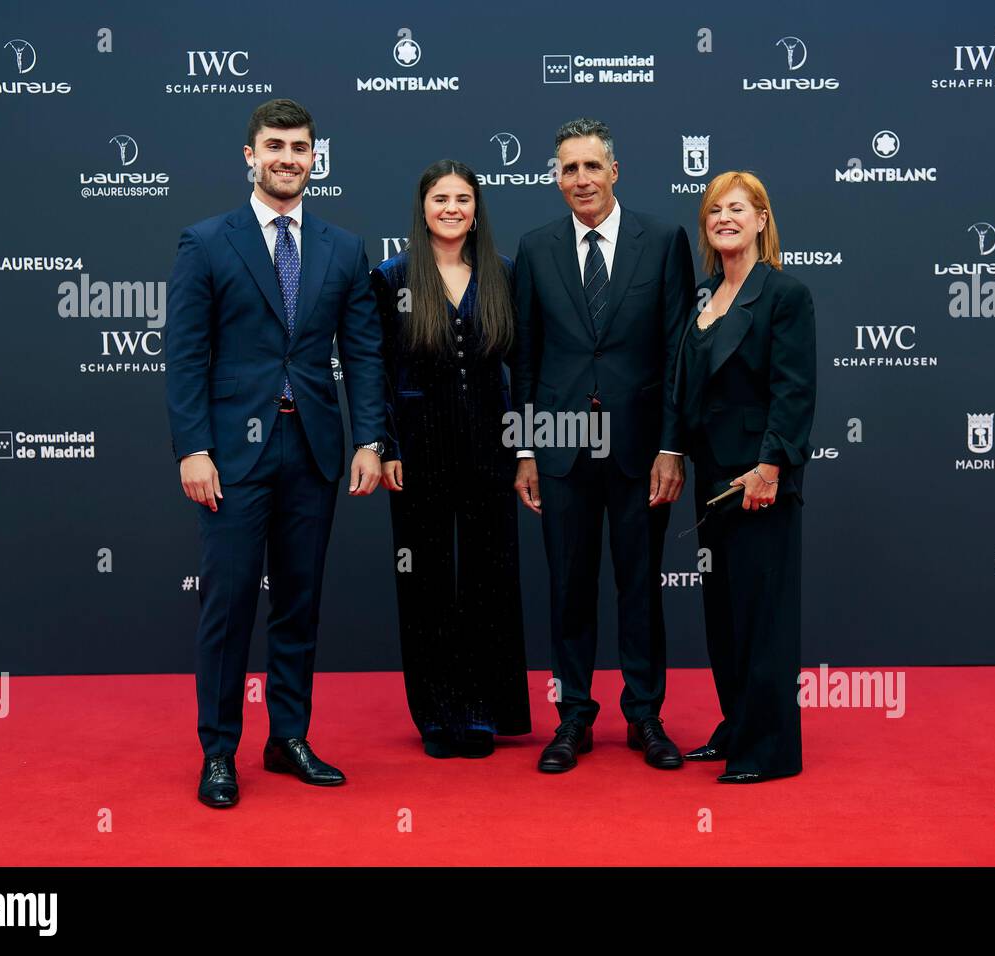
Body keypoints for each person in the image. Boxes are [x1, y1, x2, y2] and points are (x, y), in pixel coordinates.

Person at [165, 98, 386, 808]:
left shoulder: (344, 248)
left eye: (300, 146)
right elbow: (185, 357)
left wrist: (370, 438)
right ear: (250, 156)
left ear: (315, 157)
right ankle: (220, 750)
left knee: (298, 602)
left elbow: (363, 351)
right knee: (228, 604)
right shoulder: (206, 242)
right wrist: (193, 449)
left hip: (314, 447)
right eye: (274, 145)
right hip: (232, 454)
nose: (288, 157)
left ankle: (288, 736)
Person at [511, 118, 695, 772]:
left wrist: (672, 446)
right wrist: (525, 451)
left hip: (640, 450)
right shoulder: (535, 249)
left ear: (614, 171)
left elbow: (679, 352)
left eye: (591, 166)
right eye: (568, 169)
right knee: (569, 588)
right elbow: (525, 358)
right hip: (560, 447)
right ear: (556, 177)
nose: (581, 179)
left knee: (640, 588)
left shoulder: (664, 241)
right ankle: (575, 718)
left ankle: (644, 715)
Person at [370, 159, 531, 758]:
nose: (452, 209)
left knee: (491, 577)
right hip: (418, 451)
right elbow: (376, 370)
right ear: (422, 207)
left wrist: (526, 448)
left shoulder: (503, 275)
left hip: (494, 448)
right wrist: (384, 445)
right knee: (427, 580)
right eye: (440, 198)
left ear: (477, 209)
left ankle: (486, 708)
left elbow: (524, 367)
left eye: (463, 198)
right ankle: (438, 712)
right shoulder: (390, 278)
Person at [673, 170, 816, 783]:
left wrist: (770, 466)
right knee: (725, 612)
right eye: (714, 211)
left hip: (759, 479)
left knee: (764, 615)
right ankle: (737, 727)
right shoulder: (704, 297)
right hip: (713, 479)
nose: (724, 218)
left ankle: (769, 749)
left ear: (761, 219)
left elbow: (794, 390)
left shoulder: (784, 295)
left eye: (737, 209)